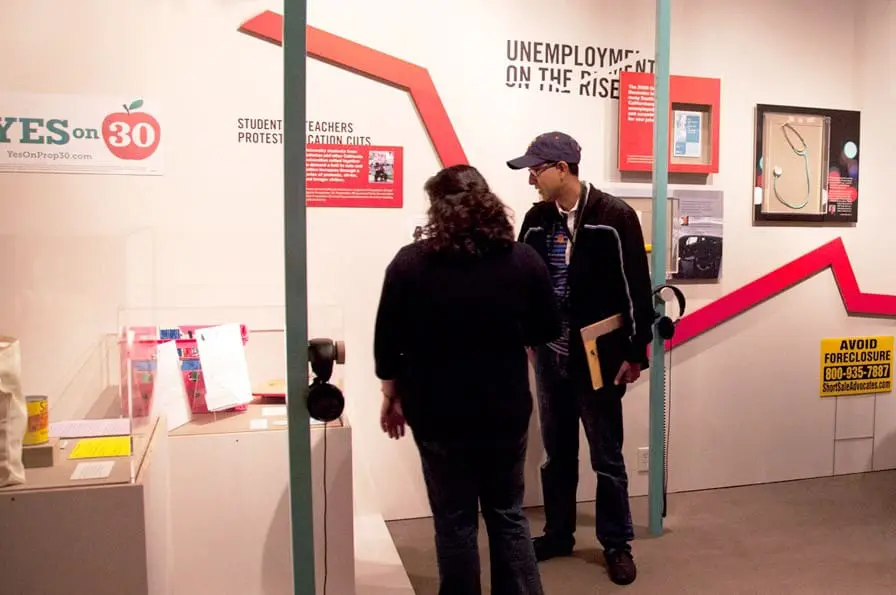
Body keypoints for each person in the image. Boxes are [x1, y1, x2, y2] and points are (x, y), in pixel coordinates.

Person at [374, 164, 561, 595]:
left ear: (439, 209)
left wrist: (391, 394)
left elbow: (388, 343)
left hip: (437, 413)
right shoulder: (522, 260)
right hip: (504, 409)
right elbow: (548, 328)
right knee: (508, 515)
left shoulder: (410, 264)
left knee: (454, 521)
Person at [507, 132, 655, 586]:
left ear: (562, 169)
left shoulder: (615, 217)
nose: (531, 177)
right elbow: (520, 281)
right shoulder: (535, 219)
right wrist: (525, 334)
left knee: (607, 456)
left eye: (537, 169)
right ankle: (559, 533)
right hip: (550, 356)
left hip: (598, 355)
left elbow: (636, 288)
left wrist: (637, 353)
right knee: (558, 452)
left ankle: (616, 543)